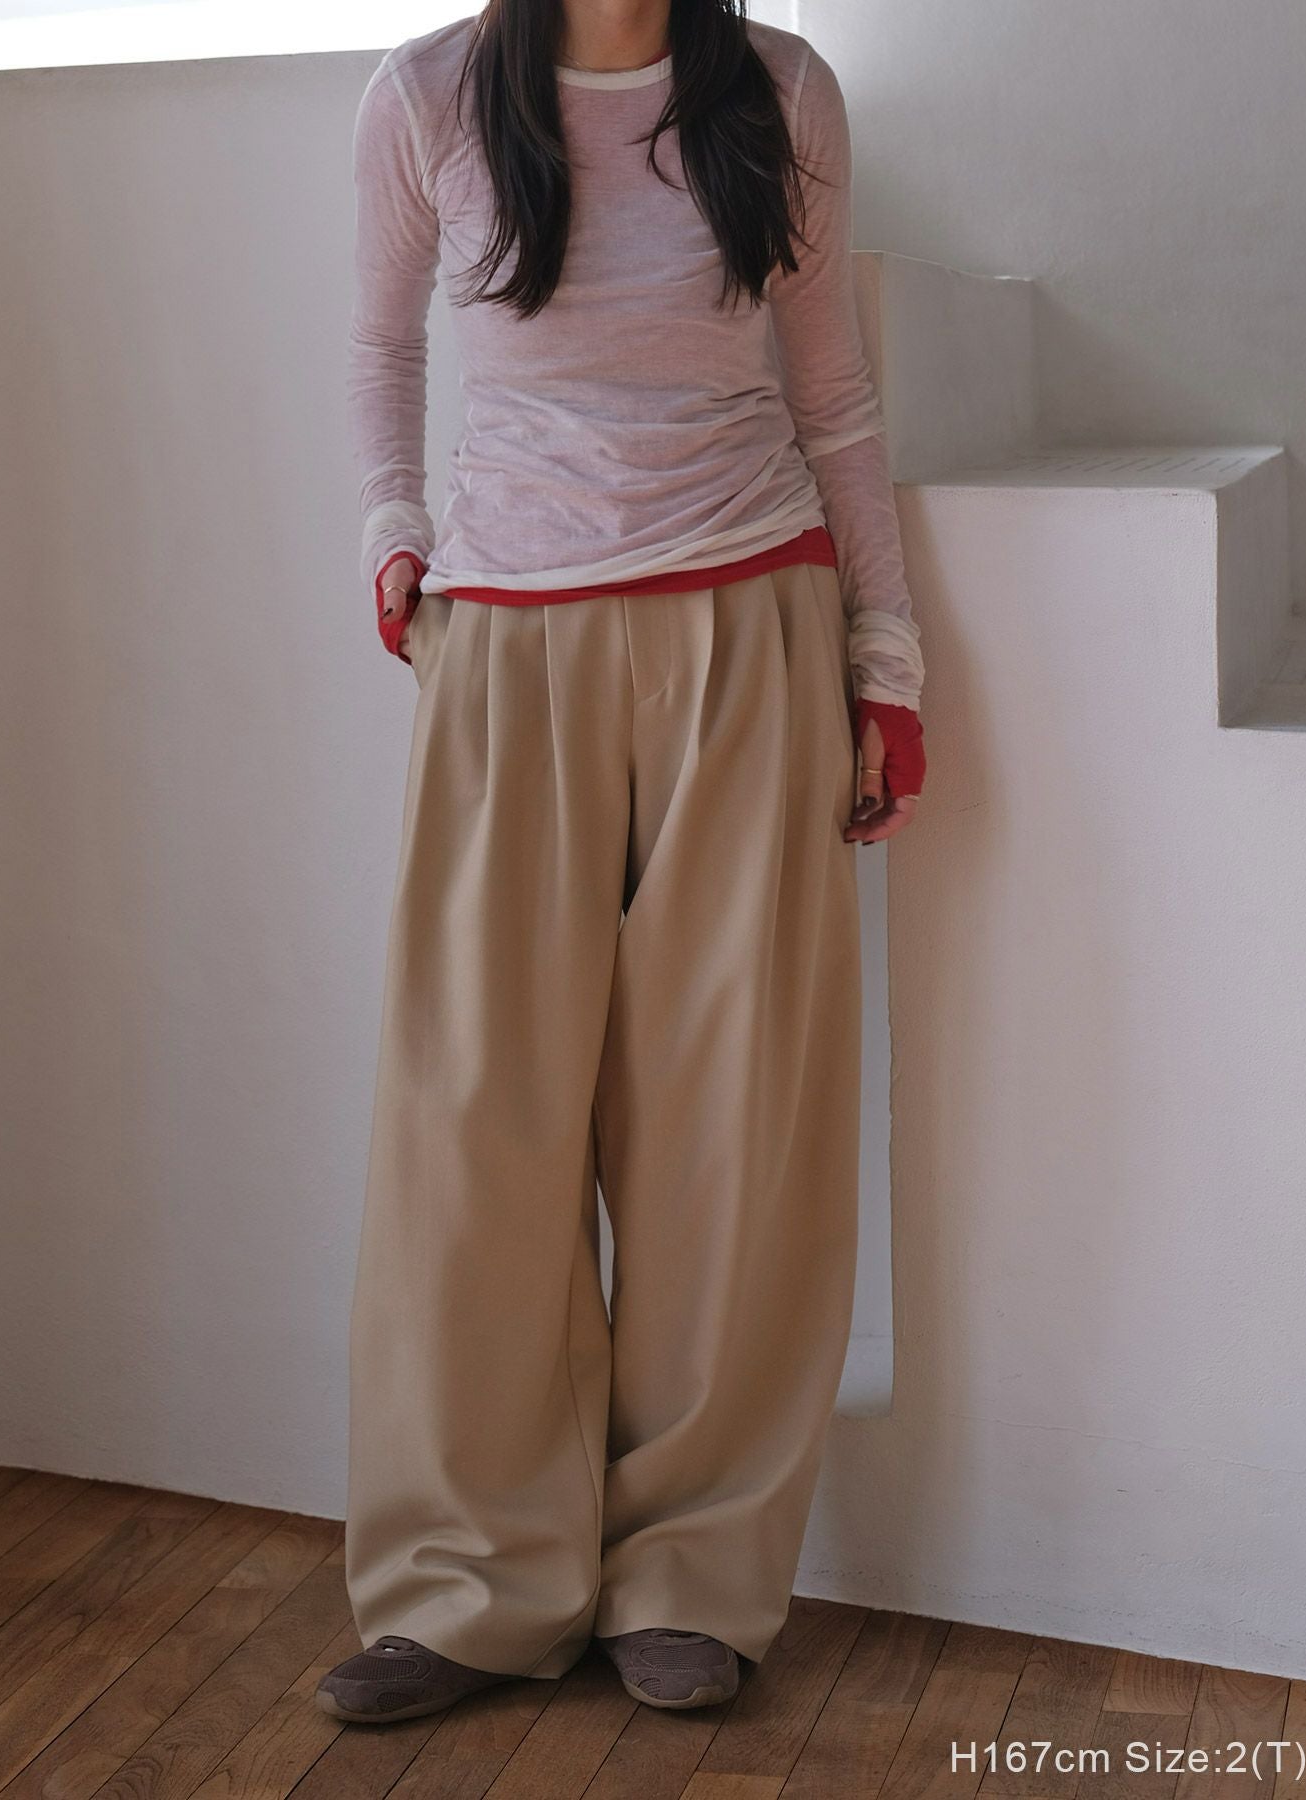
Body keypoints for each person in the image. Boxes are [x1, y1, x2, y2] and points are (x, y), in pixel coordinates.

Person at [318, 0, 927, 1725]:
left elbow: (834, 394)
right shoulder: (429, 94)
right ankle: (467, 1583)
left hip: (751, 622)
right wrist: (394, 532)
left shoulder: (780, 91)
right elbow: (377, 349)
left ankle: (694, 1577)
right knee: (475, 1116)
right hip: (506, 642)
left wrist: (887, 661)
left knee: (733, 1120)